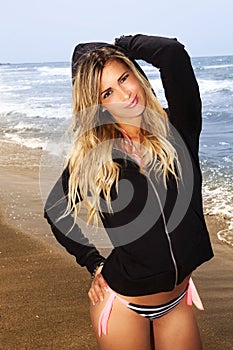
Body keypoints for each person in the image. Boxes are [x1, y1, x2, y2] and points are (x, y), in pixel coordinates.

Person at [44, 34, 214, 350]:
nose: (125, 94)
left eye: (124, 78)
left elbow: (172, 53)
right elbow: (55, 209)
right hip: (122, 304)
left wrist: (122, 43)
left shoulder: (178, 126)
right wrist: (92, 261)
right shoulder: (95, 156)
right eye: (108, 92)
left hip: (177, 302)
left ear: (136, 73)